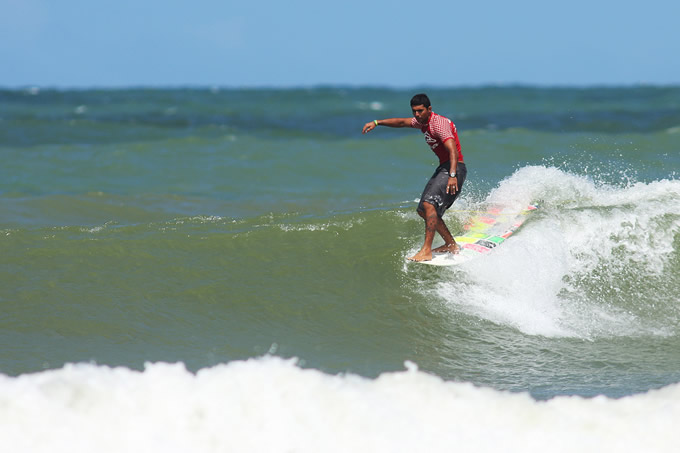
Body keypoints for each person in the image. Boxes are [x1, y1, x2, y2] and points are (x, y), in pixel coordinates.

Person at [362, 93, 467, 262]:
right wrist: (377, 122)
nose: (417, 115)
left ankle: (426, 250)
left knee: (429, 204)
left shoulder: (438, 124)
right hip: (444, 167)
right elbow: (402, 122)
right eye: (414, 111)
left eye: (420, 111)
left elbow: (453, 150)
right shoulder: (422, 122)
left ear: (429, 109)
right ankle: (450, 244)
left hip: (454, 168)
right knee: (422, 210)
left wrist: (453, 175)